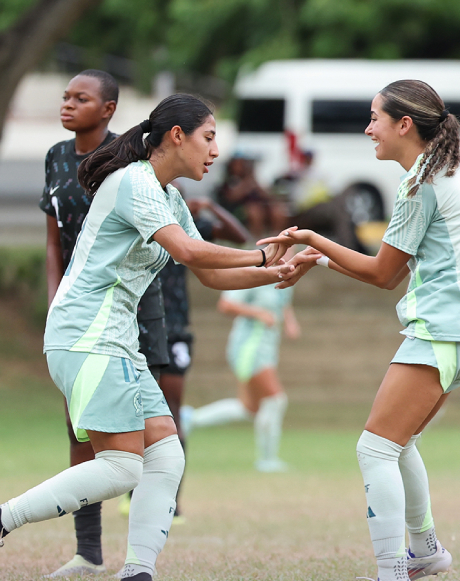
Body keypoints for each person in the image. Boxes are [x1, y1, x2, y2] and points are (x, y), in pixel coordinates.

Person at [0, 94, 294, 581]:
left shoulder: (168, 195)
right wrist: (263, 258)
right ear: (176, 136)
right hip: (86, 335)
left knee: (165, 452)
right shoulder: (134, 181)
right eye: (209, 137)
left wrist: (278, 271)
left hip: (116, 341)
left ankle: (138, 570)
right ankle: (4, 519)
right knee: (122, 467)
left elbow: (210, 276)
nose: (216, 150)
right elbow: (192, 252)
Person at [264, 79, 460, 581]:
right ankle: (427, 551)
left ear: (404, 125)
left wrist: (310, 237)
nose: (368, 129)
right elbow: (390, 269)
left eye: (375, 118)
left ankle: (392, 571)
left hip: (444, 330)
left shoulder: (420, 183)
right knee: (399, 443)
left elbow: (382, 275)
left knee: (374, 448)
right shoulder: (449, 171)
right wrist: (320, 258)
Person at [36, 69, 174, 578]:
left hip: (138, 306)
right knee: (88, 436)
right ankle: (89, 549)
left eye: (81, 97)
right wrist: (56, 304)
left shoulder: (136, 158)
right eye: (65, 96)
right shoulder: (57, 157)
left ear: (110, 108)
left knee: (153, 441)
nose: (68, 104)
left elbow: (180, 245)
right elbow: (54, 241)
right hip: (83, 312)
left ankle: (138, 562)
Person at [157, 196, 250, 520]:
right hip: (140, 326)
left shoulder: (186, 227)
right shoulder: (142, 218)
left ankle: (173, 498)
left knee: (173, 413)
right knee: (140, 414)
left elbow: (239, 236)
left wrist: (210, 206)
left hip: (176, 329)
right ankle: (134, 490)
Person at [182, 261, 299, 472]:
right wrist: (258, 313)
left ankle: (190, 419)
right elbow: (225, 304)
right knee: (275, 399)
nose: (290, 254)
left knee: (249, 408)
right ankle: (267, 460)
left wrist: (289, 321)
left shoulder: (288, 275)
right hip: (249, 347)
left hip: (266, 347)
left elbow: (282, 302)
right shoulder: (254, 275)